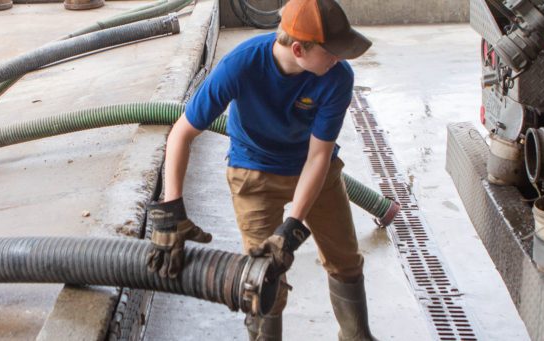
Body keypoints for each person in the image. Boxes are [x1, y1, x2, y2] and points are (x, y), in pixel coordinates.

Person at [144, 0, 375, 340]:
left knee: (346, 261)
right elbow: (182, 133)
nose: (339, 58)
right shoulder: (241, 64)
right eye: (332, 51)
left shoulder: (337, 78)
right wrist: (171, 210)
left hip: (314, 173)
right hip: (254, 173)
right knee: (263, 276)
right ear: (298, 49)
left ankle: (357, 336)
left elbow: (318, 157)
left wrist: (292, 226)